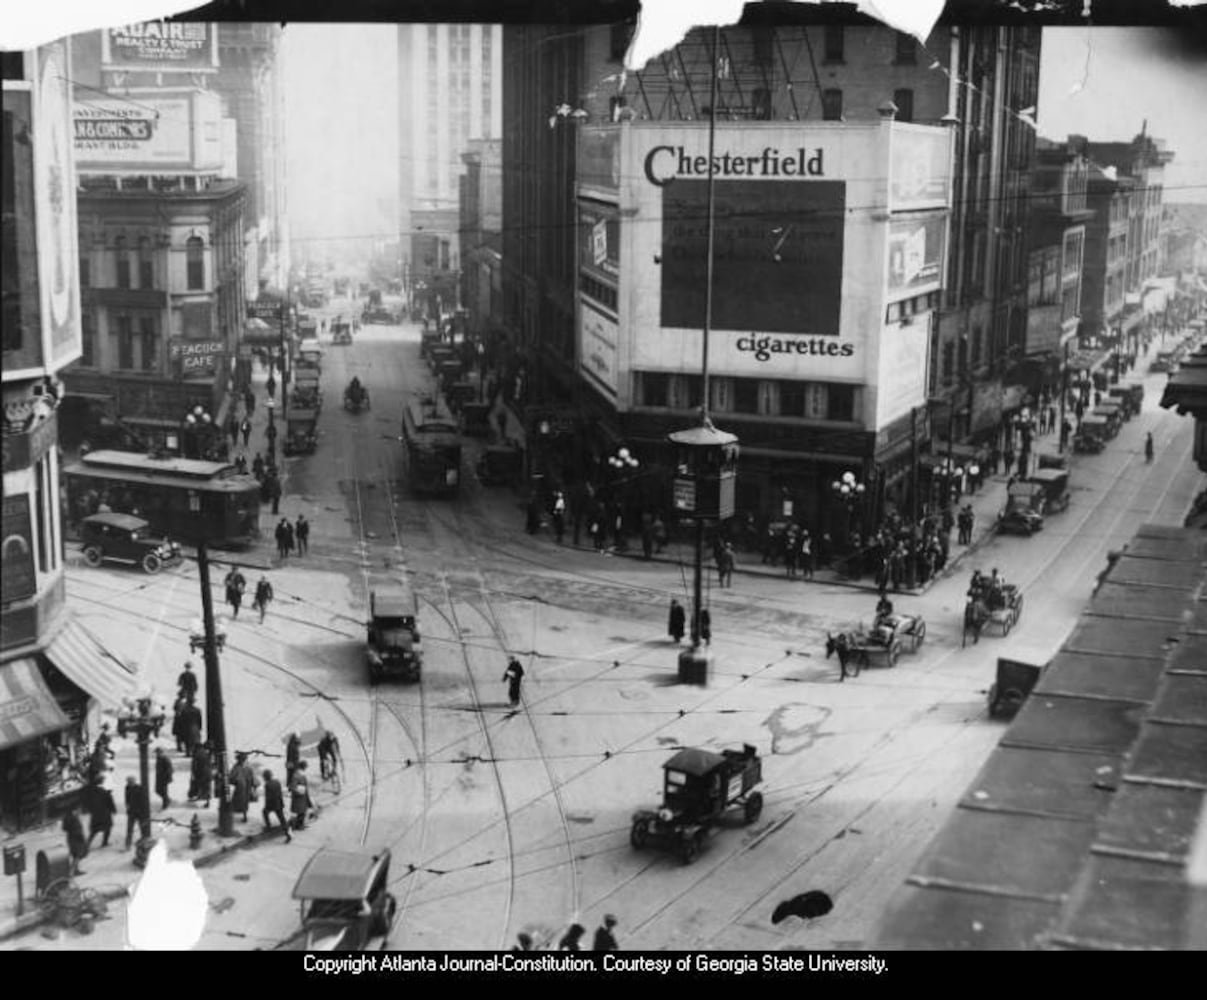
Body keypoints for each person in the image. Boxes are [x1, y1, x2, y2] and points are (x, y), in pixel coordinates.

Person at [86, 775, 117, 850]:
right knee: (108, 827)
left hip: (95, 813)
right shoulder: (104, 791)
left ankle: (87, 844)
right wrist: (114, 810)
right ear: (102, 781)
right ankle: (104, 842)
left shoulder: (91, 790)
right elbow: (110, 802)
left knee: (94, 830)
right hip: (104, 813)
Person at [261, 769, 291, 841]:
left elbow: (268, 797)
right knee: (282, 819)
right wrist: (282, 803)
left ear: (265, 777)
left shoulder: (267, 785)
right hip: (278, 803)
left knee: (265, 812)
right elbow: (280, 793)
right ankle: (287, 833)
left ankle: (268, 827)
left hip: (271, 804)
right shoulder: (277, 782)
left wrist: (266, 806)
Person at [229, 752, 258, 823]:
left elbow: (231, 777)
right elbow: (253, 779)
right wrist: (254, 786)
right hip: (244, 788)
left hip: (241, 788)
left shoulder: (237, 767)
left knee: (239, 803)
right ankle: (244, 816)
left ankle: (242, 817)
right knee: (243, 803)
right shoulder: (247, 768)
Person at [63, 806, 88, 875]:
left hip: (71, 838)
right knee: (77, 855)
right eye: (78, 810)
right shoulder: (73, 818)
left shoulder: (69, 817)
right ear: (74, 810)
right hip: (76, 839)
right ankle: (72, 871)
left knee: (76, 855)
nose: (80, 812)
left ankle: (74, 870)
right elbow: (76, 830)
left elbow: (64, 828)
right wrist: (81, 838)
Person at [124, 776, 147, 851]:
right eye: (129, 782)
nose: (130, 783)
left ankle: (144, 842)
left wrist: (143, 812)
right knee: (129, 829)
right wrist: (127, 807)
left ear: (134, 781)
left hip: (139, 812)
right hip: (131, 812)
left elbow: (143, 801)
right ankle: (128, 844)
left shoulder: (140, 788)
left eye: (131, 782)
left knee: (142, 827)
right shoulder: (127, 787)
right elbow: (127, 798)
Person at [189, 744, 213, 808]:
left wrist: (194, 774)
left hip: (201, 773)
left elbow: (194, 766)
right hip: (208, 773)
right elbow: (210, 763)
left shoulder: (196, 754)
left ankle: (199, 797)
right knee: (207, 788)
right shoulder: (206, 753)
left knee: (200, 785)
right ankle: (207, 802)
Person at [290, 760, 312, 830]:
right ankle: (299, 825)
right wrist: (300, 790)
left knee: (302, 811)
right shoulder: (297, 775)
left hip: (302, 796)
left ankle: (300, 824)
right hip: (300, 796)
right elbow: (293, 786)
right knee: (301, 811)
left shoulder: (299, 773)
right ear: (303, 767)